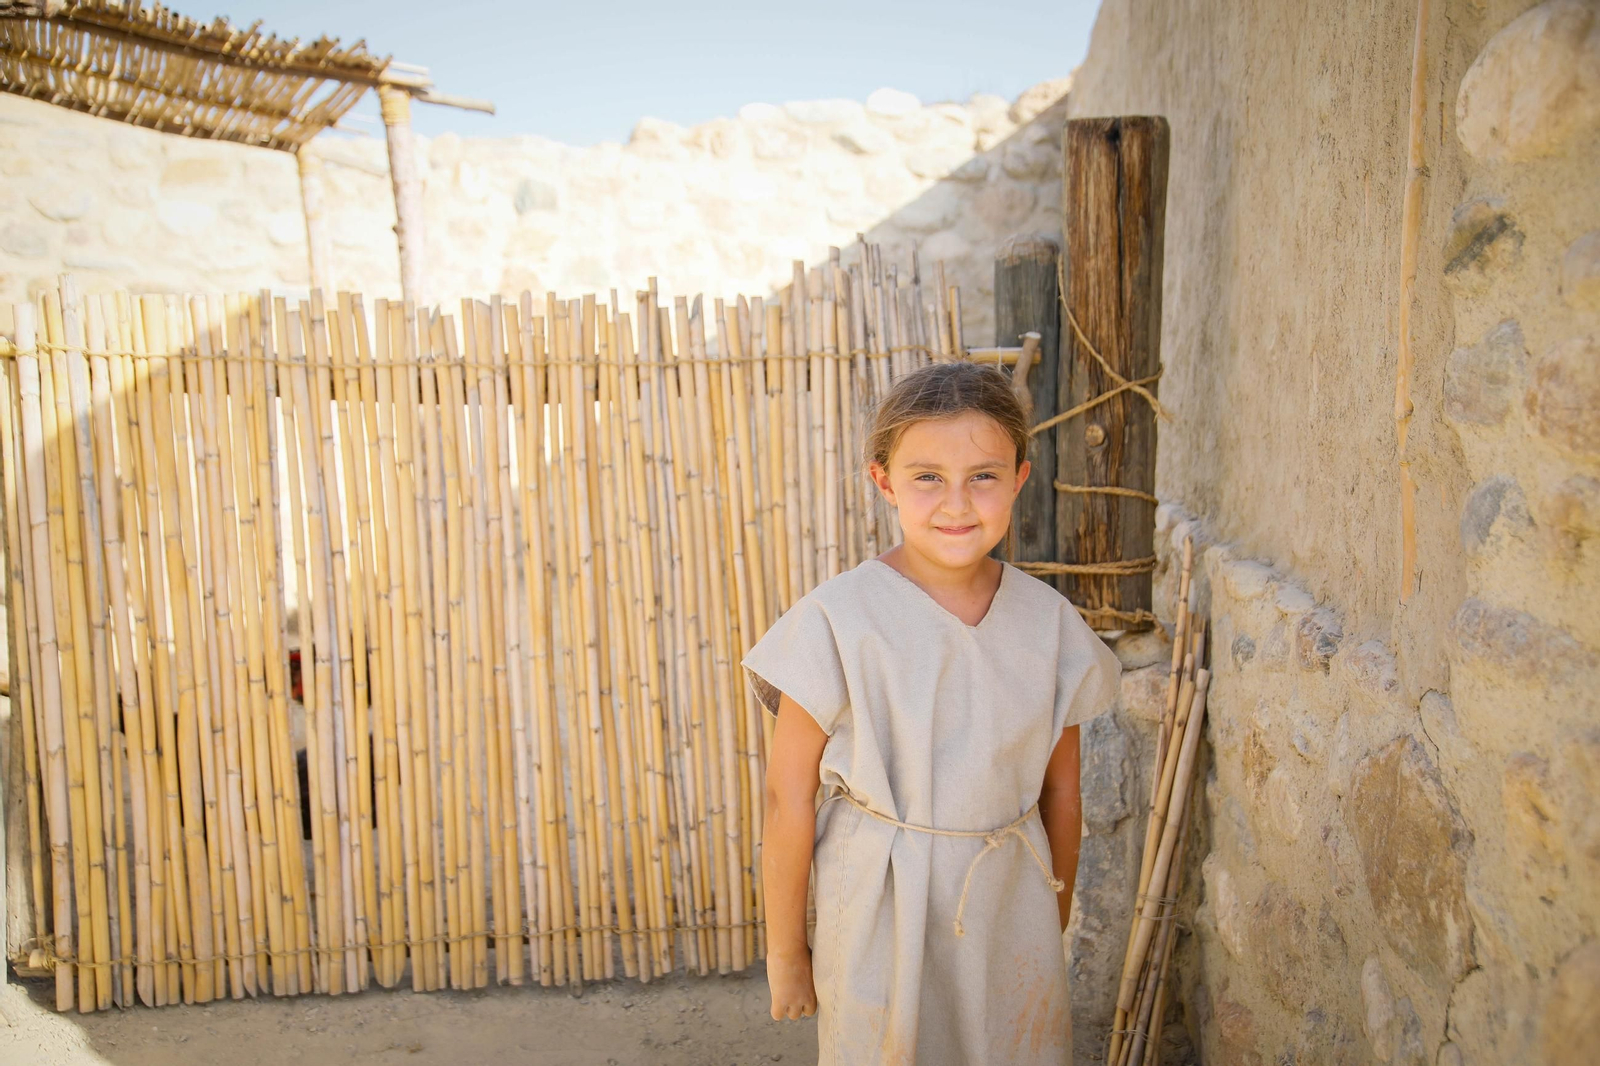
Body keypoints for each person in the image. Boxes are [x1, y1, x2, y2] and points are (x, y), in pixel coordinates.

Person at [743, 360, 1122, 1065]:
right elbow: (786, 796)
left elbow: (1062, 792)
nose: (956, 502)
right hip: (879, 900)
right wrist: (787, 951)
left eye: (983, 475)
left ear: (1020, 479)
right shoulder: (837, 619)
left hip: (1009, 899)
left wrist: (1054, 909)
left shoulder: (1049, 625)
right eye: (926, 477)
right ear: (882, 480)